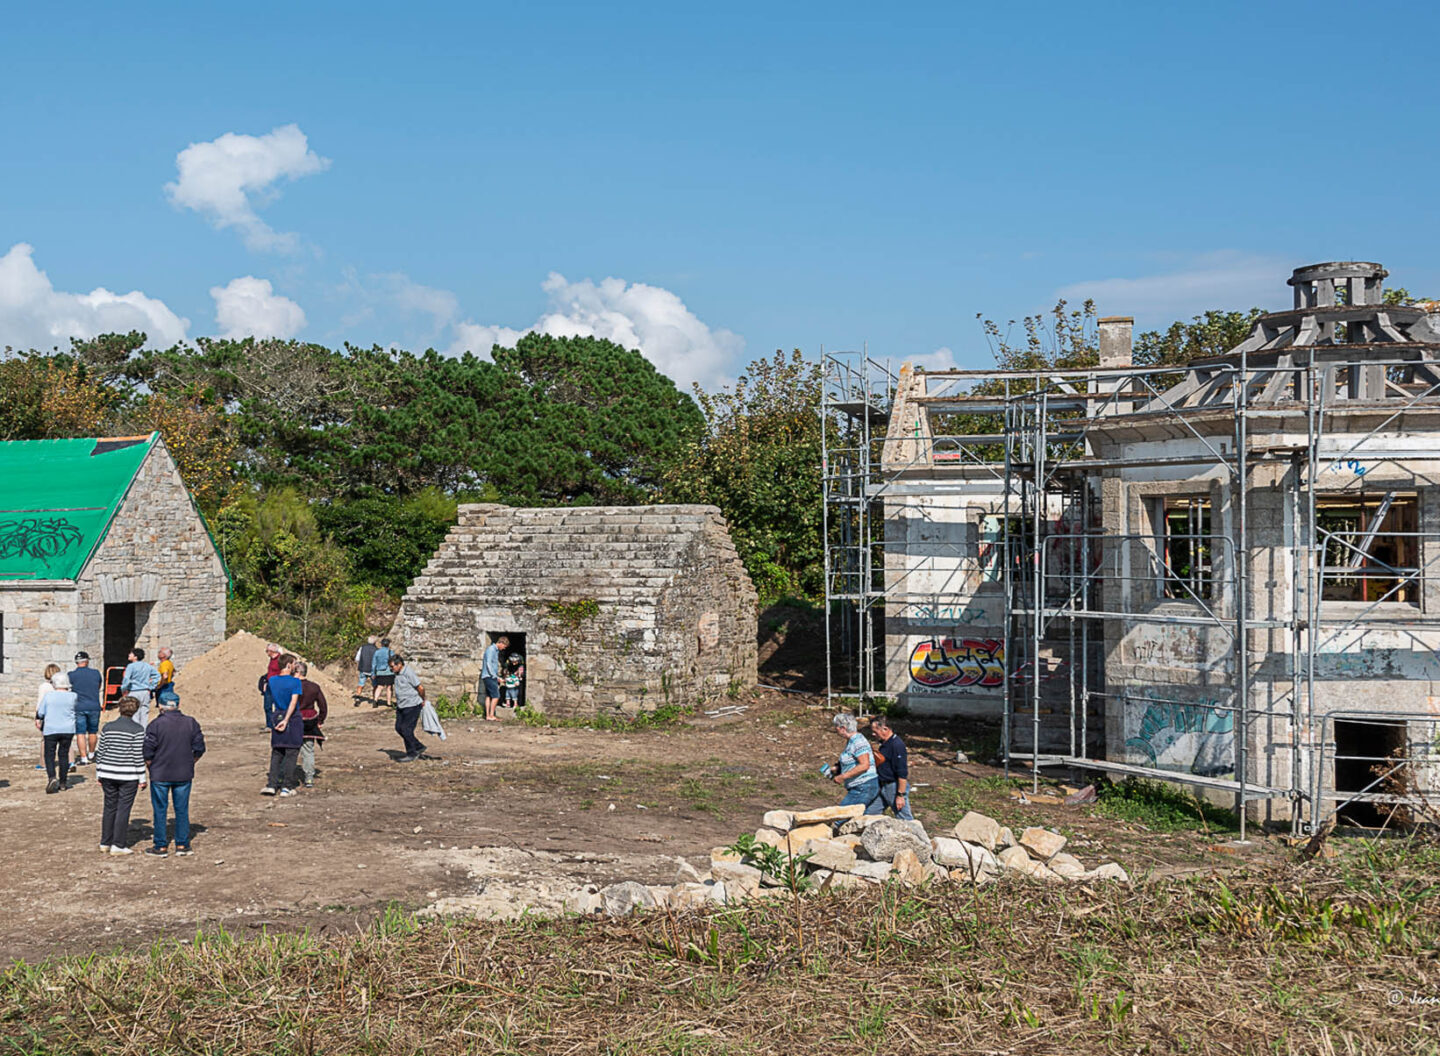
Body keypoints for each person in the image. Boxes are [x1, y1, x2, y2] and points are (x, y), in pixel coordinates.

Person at [143, 690, 206, 857]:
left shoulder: (155, 725)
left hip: (160, 773)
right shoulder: (191, 723)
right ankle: (182, 845)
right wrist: (190, 762)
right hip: (183, 773)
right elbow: (200, 748)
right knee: (182, 809)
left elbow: (147, 751)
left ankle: (161, 846)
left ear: (161, 707)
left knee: (160, 809)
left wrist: (151, 766)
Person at [94, 696, 147, 854]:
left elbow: (101, 751)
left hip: (107, 772)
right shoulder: (138, 730)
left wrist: (99, 772)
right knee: (123, 809)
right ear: (135, 710)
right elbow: (138, 756)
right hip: (128, 774)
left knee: (109, 807)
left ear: (119, 708)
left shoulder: (108, 727)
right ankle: (118, 844)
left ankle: (105, 841)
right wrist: (142, 778)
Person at [263, 655, 304, 797]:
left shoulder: (272, 681)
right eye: (294, 664)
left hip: (277, 714)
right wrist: (286, 719)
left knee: (277, 752)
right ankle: (287, 786)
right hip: (291, 718)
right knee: (292, 752)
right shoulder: (295, 682)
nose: (295, 666)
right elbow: (293, 702)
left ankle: (272, 784)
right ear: (288, 665)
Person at [36, 671, 78, 794]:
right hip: (67, 728)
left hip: (51, 728)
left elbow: (41, 712)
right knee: (63, 755)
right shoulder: (73, 696)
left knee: (49, 754)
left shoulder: (49, 696)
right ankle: (63, 782)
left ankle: (52, 777)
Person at [865, 716, 913, 820]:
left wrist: (900, 795)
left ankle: (916, 835)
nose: (873, 734)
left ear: (885, 729)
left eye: (875, 731)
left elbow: (902, 772)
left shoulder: (897, 745)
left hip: (893, 788)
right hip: (883, 787)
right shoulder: (885, 744)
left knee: (905, 819)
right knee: (868, 815)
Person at [828, 713, 878, 808]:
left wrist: (843, 777)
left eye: (836, 727)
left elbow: (864, 765)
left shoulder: (858, 741)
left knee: (840, 817)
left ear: (843, 728)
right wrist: (838, 768)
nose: (835, 729)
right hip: (860, 786)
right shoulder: (851, 741)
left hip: (863, 786)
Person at [294, 661, 328, 788]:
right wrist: (320, 720)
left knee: (291, 750)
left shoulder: (292, 686)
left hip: (294, 719)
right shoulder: (314, 687)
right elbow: (323, 706)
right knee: (308, 751)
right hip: (310, 720)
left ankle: (286, 776)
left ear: (297, 672)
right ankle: (309, 778)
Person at [69, 651, 104, 768]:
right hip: (94, 704)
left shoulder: (71, 675)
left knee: (80, 732)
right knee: (93, 731)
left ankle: (83, 757)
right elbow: (99, 686)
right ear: (87, 661)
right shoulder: (95, 673)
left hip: (79, 705)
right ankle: (91, 753)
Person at [390, 653, 427, 760]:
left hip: (412, 705)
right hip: (401, 705)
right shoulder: (397, 674)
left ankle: (412, 753)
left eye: (393, 666)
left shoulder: (408, 672)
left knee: (406, 729)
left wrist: (423, 699)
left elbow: (420, 687)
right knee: (399, 728)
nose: (391, 669)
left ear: (399, 664)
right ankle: (418, 746)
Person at [120, 648, 160, 726]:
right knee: (144, 714)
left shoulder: (131, 666)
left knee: (134, 713)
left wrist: (123, 689)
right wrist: (151, 686)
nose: (129, 655)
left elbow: (126, 679)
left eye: (131, 654)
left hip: (134, 691)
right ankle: (143, 733)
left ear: (135, 657)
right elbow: (157, 675)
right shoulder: (147, 666)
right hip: (145, 691)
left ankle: (136, 732)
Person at [34, 663, 62, 771]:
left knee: (45, 740)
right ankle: (70, 761)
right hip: (60, 714)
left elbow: (40, 703)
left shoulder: (44, 686)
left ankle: (44, 763)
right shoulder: (62, 687)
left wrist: (37, 718)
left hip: (48, 715)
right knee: (64, 740)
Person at [479, 635, 508, 722]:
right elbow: (488, 664)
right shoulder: (491, 650)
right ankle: (491, 715)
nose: (503, 648)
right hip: (489, 676)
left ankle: (488, 715)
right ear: (501, 643)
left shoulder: (494, 651)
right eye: (504, 646)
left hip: (488, 676)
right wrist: (495, 677)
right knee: (496, 696)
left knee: (489, 696)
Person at [260, 642, 283, 729]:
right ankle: (269, 725)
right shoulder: (272, 659)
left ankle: (279, 723)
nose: (266, 653)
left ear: (272, 651)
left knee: (279, 706)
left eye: (267, 651)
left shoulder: (281, 660)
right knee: (267, 706)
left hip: (277, 686)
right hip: (270, 685)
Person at [354, 635, 378, 705]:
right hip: (372, 670)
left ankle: (358, 697)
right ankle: (374, 699)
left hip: (363, 668)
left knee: (361, 684)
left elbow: (357, 658)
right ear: (375, 642)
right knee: (375, 685)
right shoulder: (376, 650)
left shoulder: (362, 648)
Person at [371, 638, 394, 707]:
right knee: (389, 687)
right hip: (389, 672)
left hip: (379, 672)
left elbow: (374, 664)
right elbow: (393, 662)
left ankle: (375, 700)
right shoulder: (391, 652)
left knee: (379, 687)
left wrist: (373, 673)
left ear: (381, 644)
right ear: (388, 644)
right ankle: (389, 702)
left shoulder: (377, 652)